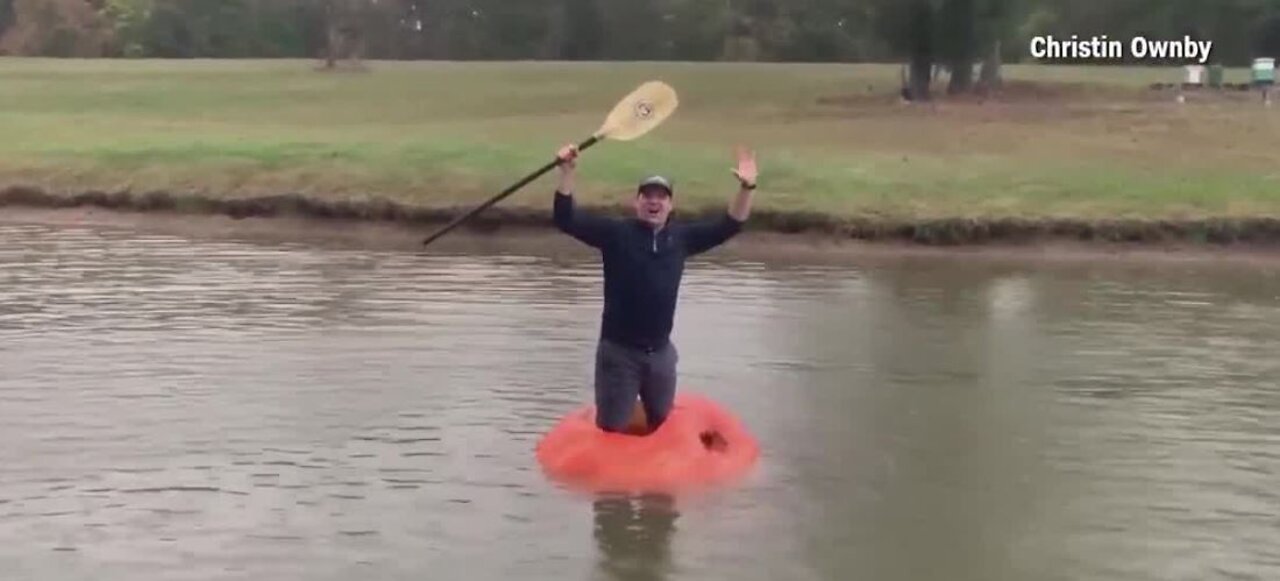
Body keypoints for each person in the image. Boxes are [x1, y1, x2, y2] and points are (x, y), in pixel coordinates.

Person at [552, 143, 758, 435]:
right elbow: (566, 219)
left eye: (661, 197)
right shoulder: (616, 234)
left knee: (663, 429)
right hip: (619, 354)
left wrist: (748, 188)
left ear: (670, 205)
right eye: (647, 196)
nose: (654, 202)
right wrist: (567, 173)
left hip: (660, 355)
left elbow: (731, 225)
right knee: (612, 432)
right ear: (636, 202)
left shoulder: (683, 238)